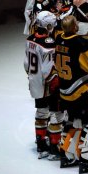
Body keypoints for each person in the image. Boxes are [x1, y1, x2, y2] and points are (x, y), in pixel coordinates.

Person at [54, 14, 88, 171]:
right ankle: (84, 158)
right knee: (87, 123)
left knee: (70, 121)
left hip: (64, 89)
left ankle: (64, 154)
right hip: (78, 90)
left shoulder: (58, 38)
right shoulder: (80, 42)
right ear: (75, 27)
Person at [25, 10, 58, 159]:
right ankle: (52, 144)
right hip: (45, 83)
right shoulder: (48, 43)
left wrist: (32, 76)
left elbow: (26, 63)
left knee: (40, 112)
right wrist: (54, 83)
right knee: (52, 113)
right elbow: (48, 69)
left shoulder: (30, 38)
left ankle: (40, 142)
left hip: (34, 80)